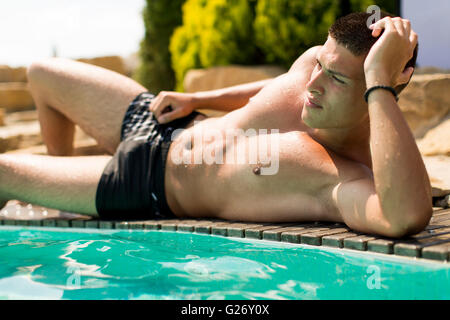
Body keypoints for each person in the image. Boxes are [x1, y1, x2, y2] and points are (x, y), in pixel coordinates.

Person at [0, 12, 432, 238]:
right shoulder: (315, 69)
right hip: (167, 121)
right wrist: (197, 99)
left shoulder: (342, 178)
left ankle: (68, 189)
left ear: (380, 86)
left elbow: (404, 217)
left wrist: (380, 80)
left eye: (336, 79)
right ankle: (61, 206)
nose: (313, 84)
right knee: (40, 74)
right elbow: (276, 86)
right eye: (319, 64)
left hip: (143, 181)